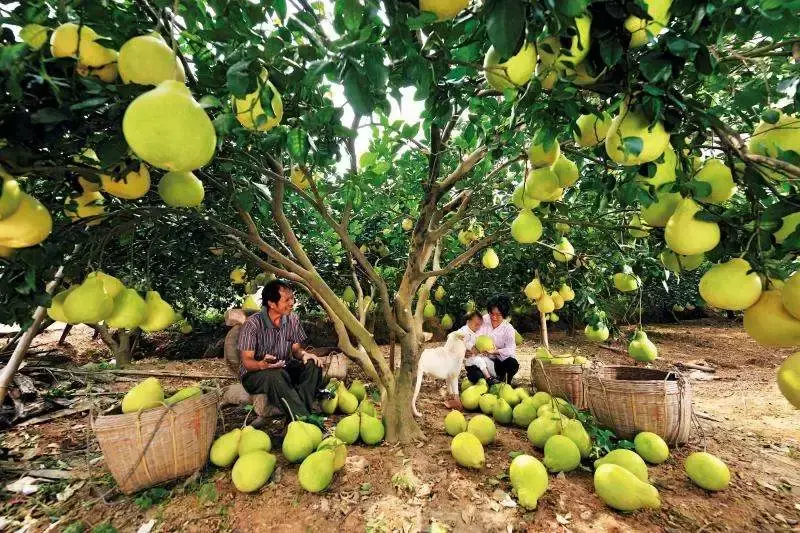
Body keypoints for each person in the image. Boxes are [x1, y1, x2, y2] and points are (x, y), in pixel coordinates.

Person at [237, 279, 331, 423]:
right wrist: (262, 365)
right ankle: (306, 421)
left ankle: (295, 418)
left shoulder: (292, 319)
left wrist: (305, 354)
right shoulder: (252, 324)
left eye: (292, 298)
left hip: (284, 368)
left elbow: (296, 350)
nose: (292, 303)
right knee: (276, 374)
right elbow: (247, 362)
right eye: (287, 299)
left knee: (313, 365)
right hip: (255, 375)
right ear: (271, 304)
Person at [474, 294, 519, 384]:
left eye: (498, 315)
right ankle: (489, 380)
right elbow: (474, 336)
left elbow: (511, 349)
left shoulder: (508, 328)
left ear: (505, 315)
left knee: (512, 364)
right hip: (483, 360)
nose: (494, 318)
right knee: (473, 371)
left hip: (499, 363)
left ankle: (506, 382)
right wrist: (476, 349)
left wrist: (495, 351)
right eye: (492, 314)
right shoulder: (483, 320)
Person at [460, 312, 499, 385]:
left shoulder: (475, 332)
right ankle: (488, 378)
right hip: (469, 360)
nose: (478, 327)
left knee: (488, 362)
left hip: (476, 355)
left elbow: (481, 344)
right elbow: (465, 343)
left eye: (480, 325)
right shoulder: (463, 331)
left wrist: (487, 350)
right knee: (480, 361)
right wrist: (466, 350)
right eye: (476, 324)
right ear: (468, 322)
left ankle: (496, 377)